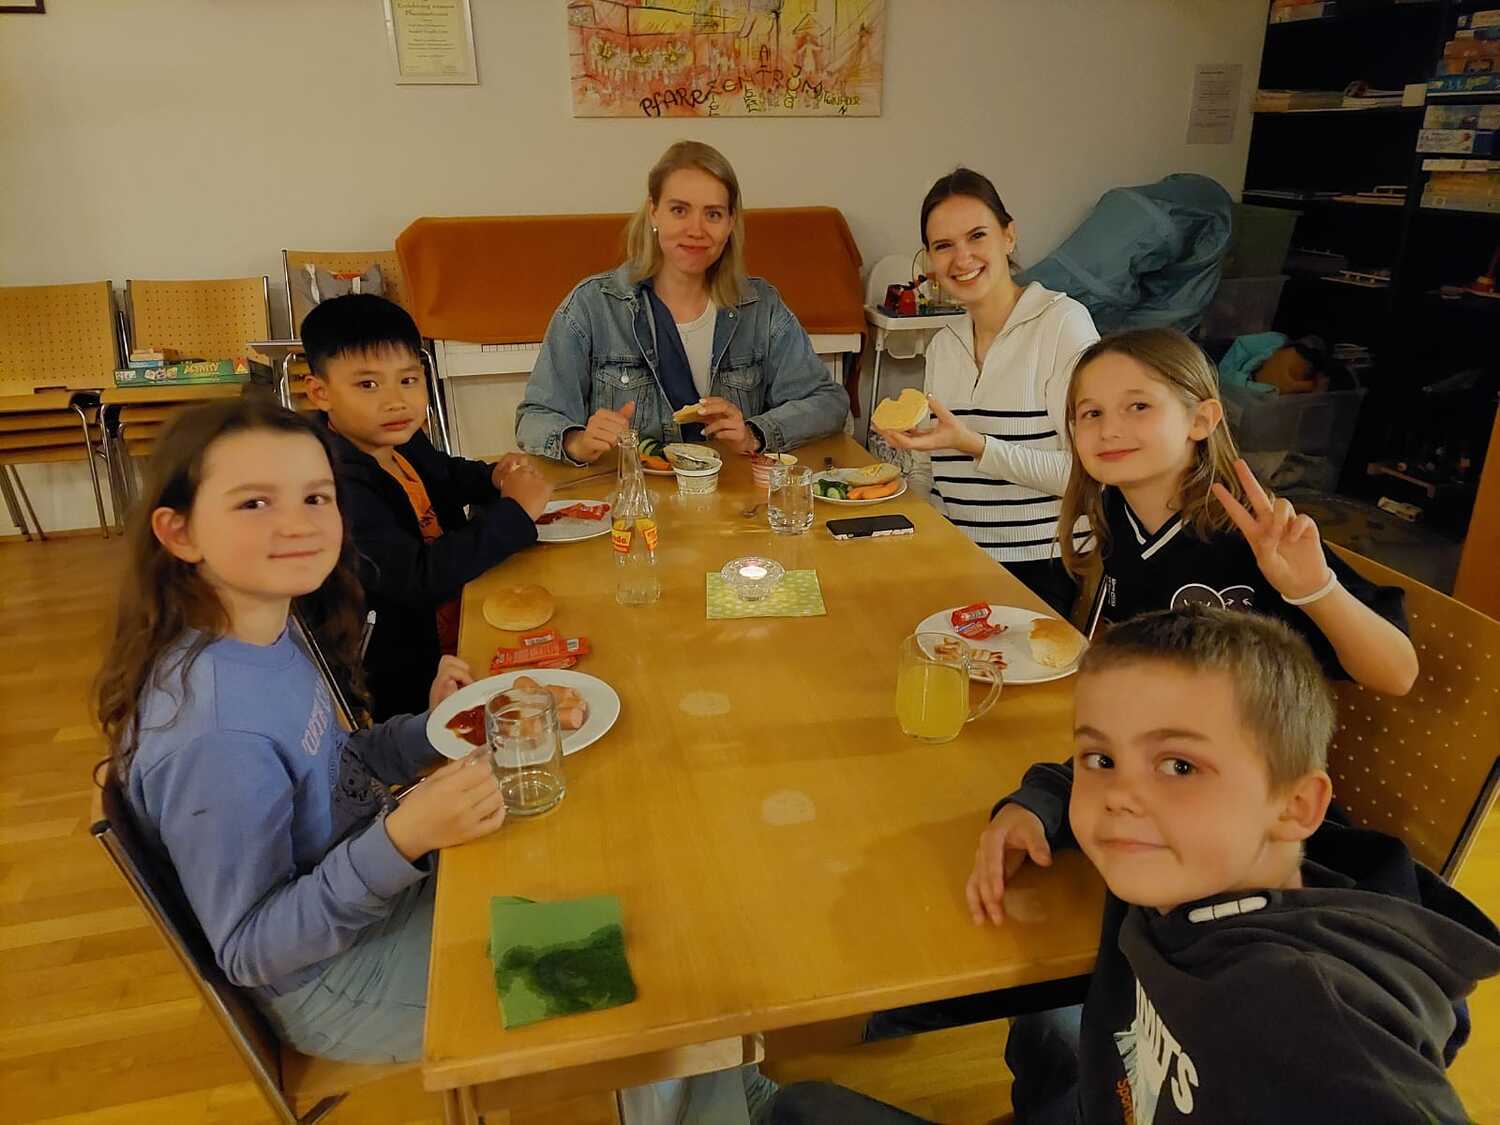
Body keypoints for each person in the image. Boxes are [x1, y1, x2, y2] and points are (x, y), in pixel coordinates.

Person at [772, 608, 1500, 1124]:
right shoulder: (1184, 866)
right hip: (1104, 1093)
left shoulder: (1313, 1014)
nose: (1120, 796)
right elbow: (1071, 774)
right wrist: (1035, 805)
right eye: (1103, 758)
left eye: (1179, 764)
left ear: (1297, 805)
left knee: (799, 1107)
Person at [94, 398, 508, 1063]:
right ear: (180, 533)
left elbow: (338, 762)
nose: (299, 524)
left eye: (316, 497)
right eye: (254, 502)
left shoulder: (264, 625)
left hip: (375, 893)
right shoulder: (215, 734)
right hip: (335, 982)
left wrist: (444, 729)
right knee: (638, 979)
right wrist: (404, 837)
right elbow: (250, 947)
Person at [1060, 327, 1417, 695]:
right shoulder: (1113, 507)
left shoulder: (1257, 532)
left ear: (1200, 420)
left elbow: (1398, 676)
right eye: (1091, 412)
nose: (1108, 429)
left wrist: (1314, 590)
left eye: (1139, 406)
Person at [515, 139, 849, 465]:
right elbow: (535, 417)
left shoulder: (762, 306)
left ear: (731, 223)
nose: (696, 230)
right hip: (629, 497)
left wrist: (754, 434)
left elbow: (828, 402)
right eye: (679, 210)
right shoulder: (592, 305)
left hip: (733, 496)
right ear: (654, 213)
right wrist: (576, 441)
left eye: (713, 214)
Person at [301, 293, 553, 719]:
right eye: (368, 385)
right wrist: (514, 514)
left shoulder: (395, 436)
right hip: (408, 674)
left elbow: (444, 474)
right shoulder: (333, 486)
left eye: (408, 380)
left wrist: (492, 476)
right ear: (320, 392)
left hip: (458, 615)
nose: (396, 401)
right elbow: (418, 578)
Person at [876, 168, 1099, 616]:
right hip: (956, 552)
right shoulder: (944, 345)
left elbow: (1088, 473)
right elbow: (929, 471)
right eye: (944, 246)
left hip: (1044, 562)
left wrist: (976, 445)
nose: (962, 258)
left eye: (977, 236)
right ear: (929, 259)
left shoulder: (1062, 324)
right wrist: (901, 515)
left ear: (1008, 236)